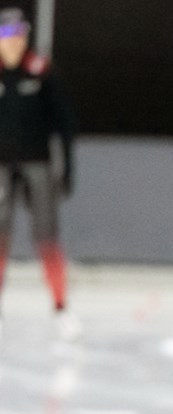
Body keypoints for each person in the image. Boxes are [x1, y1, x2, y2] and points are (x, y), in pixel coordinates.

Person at [0, 8, 78, 341]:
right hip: (2, 165)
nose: (14, 43)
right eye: (7, 37)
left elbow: (64, 121)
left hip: (38, 164)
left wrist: (67, 164)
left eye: (19, 36)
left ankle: (61, 307)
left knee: (47, 237)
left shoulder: (41, 72)